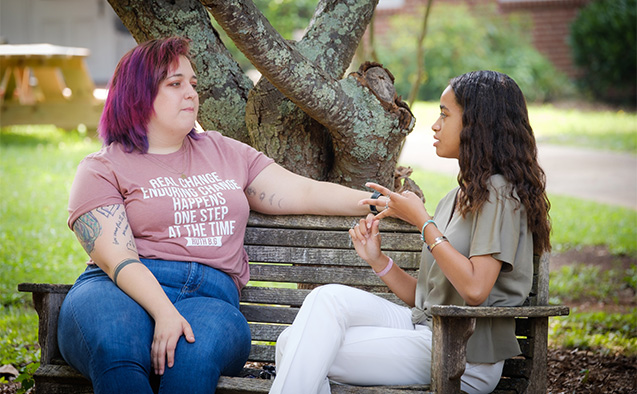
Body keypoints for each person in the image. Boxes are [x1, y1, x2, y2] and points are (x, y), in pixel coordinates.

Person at [57, 36, 387, 394]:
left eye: (193, 84)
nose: (191, 93)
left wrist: (378, 202)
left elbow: (305, 191)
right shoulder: (102, 168)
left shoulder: (227, 153)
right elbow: (118, 260)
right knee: (115, 346)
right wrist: (165, 312)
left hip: (210, 300)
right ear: (138, 95)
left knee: (193, 359)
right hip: (119, 291)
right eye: (175, 84)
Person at [269, 70, 551, 394]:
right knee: (321, 304)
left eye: (445, 115)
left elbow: (475, 289)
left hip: (463, 355)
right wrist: (378, 261)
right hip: (425, 328)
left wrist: (423, 222)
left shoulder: (499, 194)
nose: (434, 125)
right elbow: (427, 299)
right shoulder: (455, 199)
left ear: (478, 125)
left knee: (298, 348)